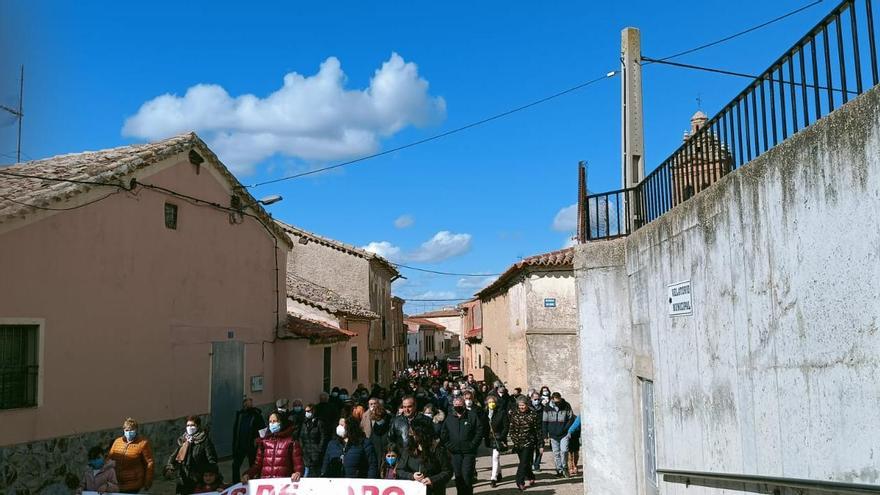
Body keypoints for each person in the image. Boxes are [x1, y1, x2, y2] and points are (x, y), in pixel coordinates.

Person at [396, 416, 452, 495]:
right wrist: (411, 476)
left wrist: (432, 480)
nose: (411, 435)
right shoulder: (409, 448)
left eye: (414, 434)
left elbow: (447, 471)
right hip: (414, 491)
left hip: (434, 491)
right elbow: (399, 470)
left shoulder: (437, 449)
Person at [440, 396, 483, 495]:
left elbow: (479, 431)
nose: (458, 407)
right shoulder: (449, 418)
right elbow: (444, 433)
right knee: (458, 476)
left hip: (469, 452)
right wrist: (449, 445)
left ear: (464, 405)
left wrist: (473, 444)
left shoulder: (472, 416)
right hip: (455, 453)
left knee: (467, 475)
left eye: (460, 405)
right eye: (456, 405)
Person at [242, 412, 304, 482]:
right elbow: (257, 465)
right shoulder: (264, 442)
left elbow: (298, 464)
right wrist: (248, 474)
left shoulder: (291, 442)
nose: (272, 424)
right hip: (266, 485)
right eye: (270, 422)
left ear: (282, 422)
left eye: (274, 421)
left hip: (283, 484)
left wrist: (298, 473)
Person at [165, 416, 218, 494]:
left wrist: (208, 477)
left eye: (192, 425)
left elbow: (212, 460)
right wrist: (169, 467)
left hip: (198, 479)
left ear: (198, 426)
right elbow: (174, 455)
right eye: (188, 425)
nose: (190, 427)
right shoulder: (183, 440)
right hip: (183, 478)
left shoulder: (205, 441)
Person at [108, 418, 155, 494]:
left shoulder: (142, 443)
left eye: (131, 430)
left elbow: (149, 463)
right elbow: (109, 459)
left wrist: (147, 482)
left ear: (136, 430)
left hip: (134, 484)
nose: (129, 433)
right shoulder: (117, 442)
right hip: (118, 483)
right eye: (127, 430)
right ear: (123, 430)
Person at [508, 397, 540, 491]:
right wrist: (514, 439)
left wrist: (539, 443)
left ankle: (520, 482)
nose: (522, 407)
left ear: (527, 405)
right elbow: (511, 428)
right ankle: (531, 476)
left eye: (523, 405)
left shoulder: (533, 414)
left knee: (523, 462)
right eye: (520, 405)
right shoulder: (514, 414)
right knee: (525, 462)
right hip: (518, 443)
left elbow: (537, 429)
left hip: (528, 442)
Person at [232, 397, 265, 482]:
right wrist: (234, 445)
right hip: (240, 445)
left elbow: (263, 430)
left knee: (252, 465)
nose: (247, 404)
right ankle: (235, 483)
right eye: (245, 402)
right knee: (235, 465)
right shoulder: (240, 415)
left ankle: (252, 481)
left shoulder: (256, 415)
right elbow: (236, 430)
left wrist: (260, 441)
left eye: (249, 402)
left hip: (252, 445)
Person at [543, 392, 576, 478]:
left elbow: (570, 418)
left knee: (564, 450)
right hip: (553, 434)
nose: (558, 403)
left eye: (559, 401)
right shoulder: (547, 407)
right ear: (552, 399)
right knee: (556, 453)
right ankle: (559, 470)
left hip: (564, 433)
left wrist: (566, 429)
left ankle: (565, 467)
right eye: (556, 402)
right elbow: (544, 421)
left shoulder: (566, 405)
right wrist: (545, 434)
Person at [484, 395, 509, 488]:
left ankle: (493, 478)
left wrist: (502, 436)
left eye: (493, 402)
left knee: (495, 457)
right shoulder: (485, 412)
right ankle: (499, 473)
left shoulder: (501, 412)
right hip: (489, 438)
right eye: (489, 402)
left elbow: (506, 426)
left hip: (498, 437)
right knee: (494, 457)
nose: (491, 404)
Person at [300, 404, 326, 477]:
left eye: (308, 411)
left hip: (316, 453)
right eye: (306, 411)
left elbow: (323, 437)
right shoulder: (304, 423)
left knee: (316, 474)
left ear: (313, 411)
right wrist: (302, 447)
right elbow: (301, 436)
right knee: (306, 473)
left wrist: (319, 449)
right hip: (306, 454)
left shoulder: (319, 423)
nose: (306, 413)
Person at [528, 392, 544, 472]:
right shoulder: (528, 408)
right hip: (529, 432)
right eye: (535, 399)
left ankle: (537, 465)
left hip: (540, 431)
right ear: (531, 399)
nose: (537, 401)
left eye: (538, 399)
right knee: (530, 450)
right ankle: (530, 465)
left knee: (540, 449)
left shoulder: (543, 408)